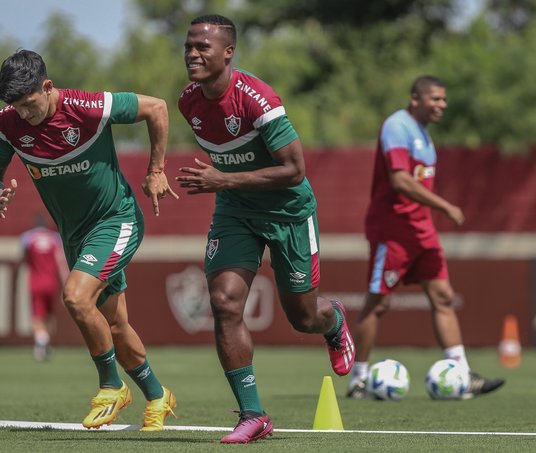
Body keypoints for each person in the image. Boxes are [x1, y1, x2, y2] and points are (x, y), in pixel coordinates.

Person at [176, 15, 354, 444]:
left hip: (289, 213)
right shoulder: (188, 102)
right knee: (223, 301)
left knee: (303, 317)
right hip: (235, 212)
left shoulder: (258, 100)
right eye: (188, 47)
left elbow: (294, 170)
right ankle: (253, 414)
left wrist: (222, 179)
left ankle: (333, 321)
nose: (194, 55)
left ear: (228, 52)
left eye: (203, 47)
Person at [0, 49, 180, 431]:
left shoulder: (87, 106)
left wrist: (156, 169)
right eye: (15, 106)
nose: (23, 113)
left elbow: (156, 107)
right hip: (74, 236)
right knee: (115, 325)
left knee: (75, 296)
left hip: (116, 219)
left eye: (28, 103)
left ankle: (110, 387)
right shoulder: (7, 124)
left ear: (48, 87)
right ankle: (158, 396)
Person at [346, 75, 505, 399]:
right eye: (435, 99)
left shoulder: (424, 135)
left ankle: (461, 372)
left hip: (422, 231)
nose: (442, 105)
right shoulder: (397, 126)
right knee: (379, 303)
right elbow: (401, 181)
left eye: (444, 99)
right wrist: (446, 206)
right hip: (392, 230)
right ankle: (359, 380)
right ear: (415, 99)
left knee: (443, 296)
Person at [20, 213, 67, 361]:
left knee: (37, 315)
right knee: (49, 315)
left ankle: (41, 343)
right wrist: (66, 283)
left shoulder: (27, 238)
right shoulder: (55, 238)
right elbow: (61, 263)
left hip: (35, 282)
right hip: (51, 283)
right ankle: (45, 343)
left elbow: (22, 259)